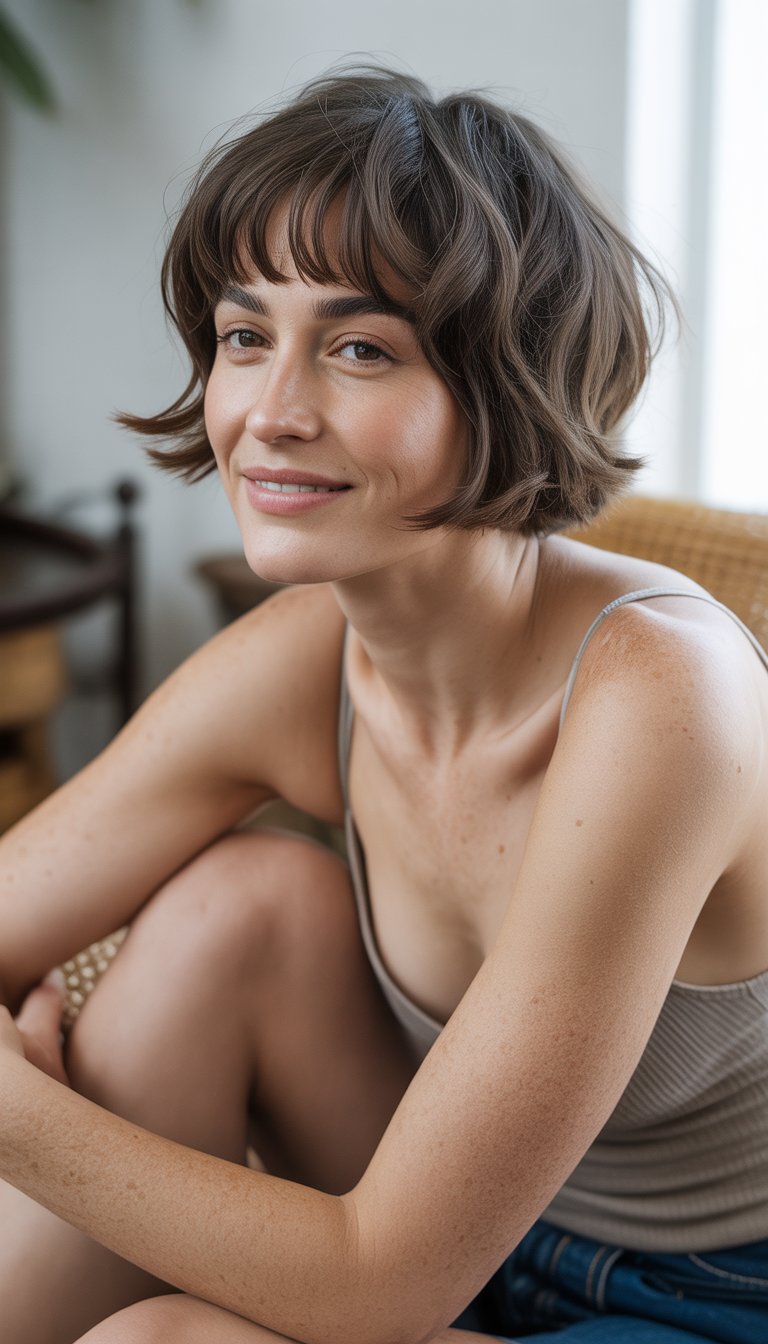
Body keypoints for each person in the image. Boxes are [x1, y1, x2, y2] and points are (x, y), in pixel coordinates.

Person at [0, 65, 766, 1344]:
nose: (270, 415)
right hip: (469, 1226)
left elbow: (382, 1285)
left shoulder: (660, 695)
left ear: (511, 382)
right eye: (247, 337)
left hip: (712, 1301)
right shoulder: (307, 659)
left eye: (361, 349)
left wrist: (21, 1125)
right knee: (243, 905)